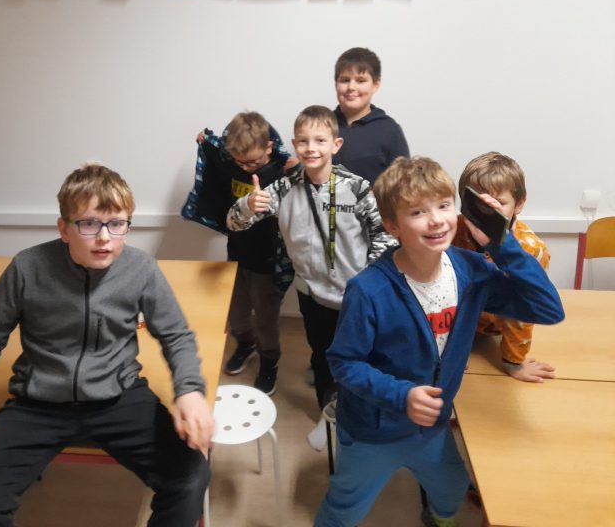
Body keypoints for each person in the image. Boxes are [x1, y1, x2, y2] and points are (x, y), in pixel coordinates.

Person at [0, 164, 213, 527]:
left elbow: (175, 335)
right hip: (38, 404)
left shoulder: (142, 269)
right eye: (89, 224)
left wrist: (189, 390)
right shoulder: (27, 268)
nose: (104, 237)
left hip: (119, 397)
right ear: (63, 228)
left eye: (117, 224)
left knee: (190, 480)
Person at [315, 156, 564, 527]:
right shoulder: (368, 290)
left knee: (451, 490)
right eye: (417, 212)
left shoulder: (471, 271)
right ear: (392, 226)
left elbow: (547, 309)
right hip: (374, 430)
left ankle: (439, 519)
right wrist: (402, 395)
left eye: (444, 206)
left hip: (432, 425)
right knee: (344, 508)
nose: (436, 220)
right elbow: (344, 362)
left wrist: (503, 243)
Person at [226, 105, 396, 449]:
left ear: (336, 144)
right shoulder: (282, 188)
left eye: (320, 140)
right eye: (303, 141)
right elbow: (234, 223)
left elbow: (385, 237)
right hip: (311, 294)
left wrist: (368, 283)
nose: (311, 148)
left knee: (361, 359)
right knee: (322, 355)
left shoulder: (358, 188)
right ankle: (329, 415)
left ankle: (363, 417)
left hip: (356, 296)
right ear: (294, 144)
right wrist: (247, 205)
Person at [185, 112, 292, 395]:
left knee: (265, 319)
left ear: (269, 147)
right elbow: (217, 153)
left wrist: (296, 168)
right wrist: (206, 142)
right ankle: (246, 344)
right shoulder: (232, 164)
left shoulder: (281, 172)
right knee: (236, 312)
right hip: (237, 254)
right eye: (240, 161)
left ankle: (270, 360)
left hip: (268, 262)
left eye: (253, 162)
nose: (246, 168)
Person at [454, 152, 555, 382]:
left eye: (498, 203)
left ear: (518, 205)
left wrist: (513, 362)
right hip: (457, 321)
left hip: (497, 323)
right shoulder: (451, 232)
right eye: (477, 202)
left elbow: (524, 311)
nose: (486, 210)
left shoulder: (530, 250)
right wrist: (446, 351)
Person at [330, 47, 409, 185]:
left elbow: (403, 187)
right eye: (345, 80)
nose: (351, 87)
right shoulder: (322, 124)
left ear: (375, 85)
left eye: (360, 81)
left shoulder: (390, 131)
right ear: (336, 84)